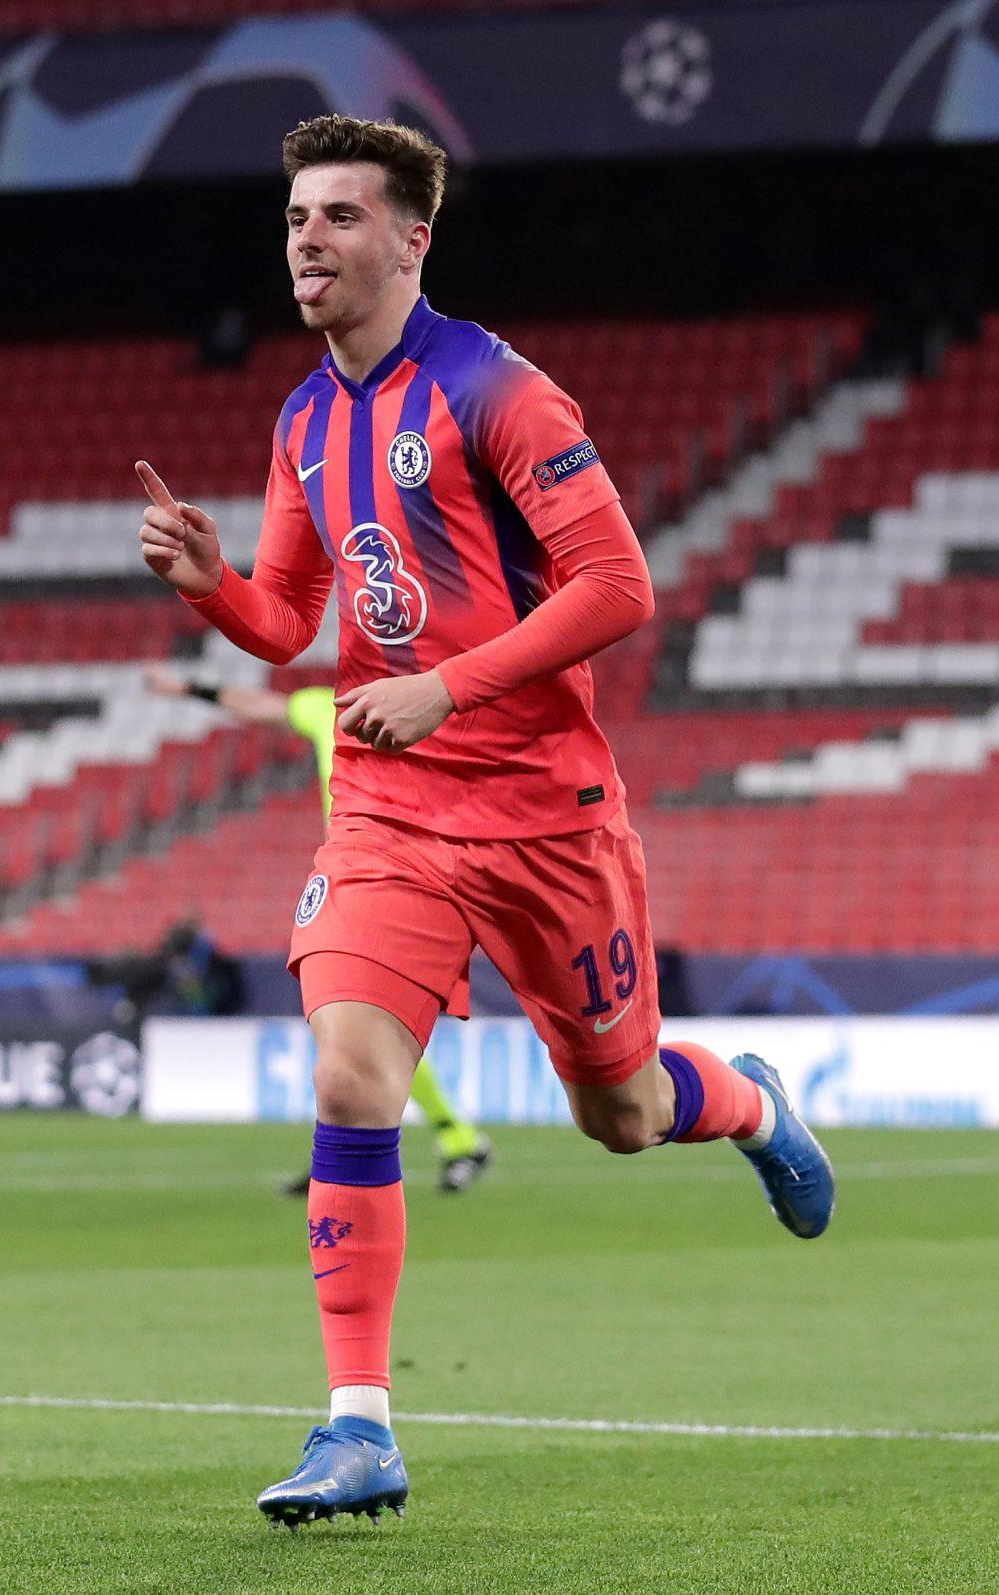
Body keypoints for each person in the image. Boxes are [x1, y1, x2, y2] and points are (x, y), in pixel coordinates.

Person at [135, 114, 835, 1531]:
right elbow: (285, 625)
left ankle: (750, 1097)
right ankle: (358, 1425)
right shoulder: (301, 418)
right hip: (393, 812)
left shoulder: (501, 394)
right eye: (294, 218)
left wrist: (446, 684)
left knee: (624, 1112)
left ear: (413, 239)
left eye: (339, 216)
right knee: (347, 1077)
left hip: (545, 815)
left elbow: (619, 585)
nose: (308, 241)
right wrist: (215, 583)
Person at [144, 663, 493, 1193]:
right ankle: (366, 1142)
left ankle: (434, 1139)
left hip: (406, 871)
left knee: (373, 1026)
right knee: (346, 1027)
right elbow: (258, 706)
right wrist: (193, 687)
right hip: (349, 872)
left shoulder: (424, 702)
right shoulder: (325, 705)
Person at [83, 917, 242, 1029]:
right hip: (160, 985)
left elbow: (196, 988)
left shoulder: (192, 959)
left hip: (188, 1000)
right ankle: (128, 1002)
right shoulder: (165, 960)